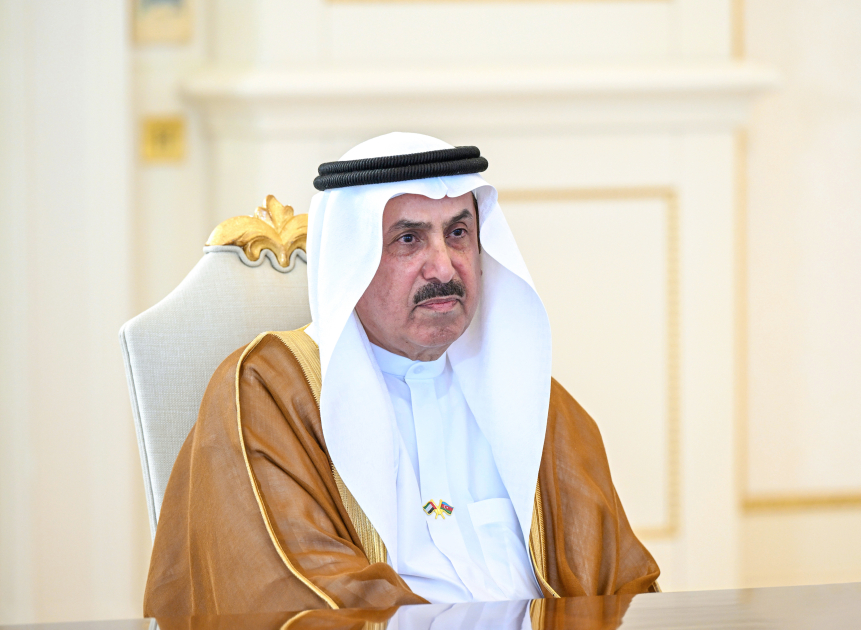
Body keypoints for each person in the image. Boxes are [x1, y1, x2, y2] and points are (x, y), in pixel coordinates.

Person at [144, 133, 659, 617]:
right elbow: (292, 592)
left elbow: (625, 588)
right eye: (408, 239)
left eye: (458, 234)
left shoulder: (529, 398)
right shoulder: (270, 393)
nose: (444, 267)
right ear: (351, 261)